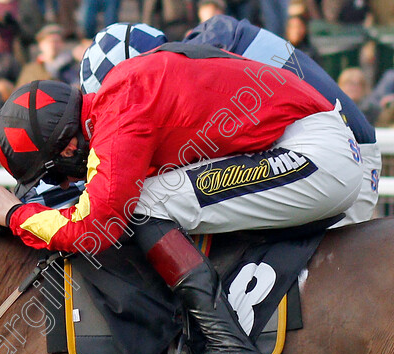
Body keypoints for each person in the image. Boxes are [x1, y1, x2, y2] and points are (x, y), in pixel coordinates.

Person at [0, 48, 363, 354]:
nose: (65, 182)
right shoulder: (120, 90)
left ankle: (228, 346)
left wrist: (15, 214)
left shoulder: (118, 122)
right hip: (314, 141)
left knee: (145, 202)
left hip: (315, 156)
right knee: (154, 193)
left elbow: (92, 230)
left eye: (54, 174)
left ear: (69, 145)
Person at [79, 19, 380, 227]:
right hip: (342, 145)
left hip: (332, 154)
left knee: (159, 205)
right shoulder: (208, 44)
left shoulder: (180, 76)